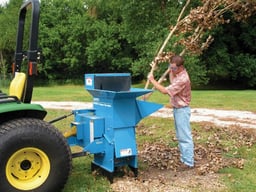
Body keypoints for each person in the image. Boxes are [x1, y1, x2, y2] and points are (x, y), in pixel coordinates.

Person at [147, 55, 194, 170]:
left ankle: (188, 162)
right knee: (181, 135)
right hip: (178, 109)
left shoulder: (183, 79)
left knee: (184, 136)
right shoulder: (178, 73)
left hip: (182, 110)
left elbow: (164, 91)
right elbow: (172, 79)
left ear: (181, 67)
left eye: (173, 68)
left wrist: (152, 80)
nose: (171, 70)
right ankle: (185, 159)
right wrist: (169, 69)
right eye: (170, 67)